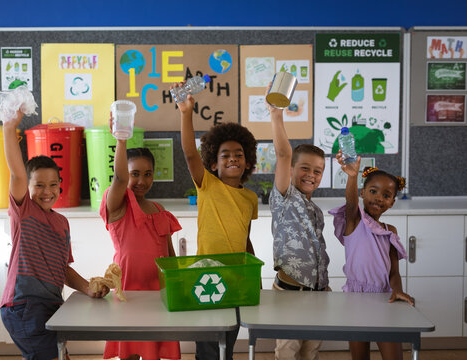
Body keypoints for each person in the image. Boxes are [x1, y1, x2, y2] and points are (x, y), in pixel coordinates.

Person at [0, 110, 109, 360]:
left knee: (61, 356)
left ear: (61, 185)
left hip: (50, 305)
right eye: (38, 185)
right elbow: (17, 172)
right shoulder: (23, 211)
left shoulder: (62, 223)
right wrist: (9, 128)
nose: (46, 191)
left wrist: (88, 288)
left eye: (53, 185)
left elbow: (64, 269)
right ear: (27, 188)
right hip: (24, 306)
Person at [173, 82, 258, 360]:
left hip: (236, 277)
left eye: (239, 155)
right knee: (208, 343)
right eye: (225, 155)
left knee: (228, 340)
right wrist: (187, 113)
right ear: (213, 164)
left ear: (247, 163)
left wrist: (253, 273)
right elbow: (188, 153)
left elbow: (245, 237)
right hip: (205, 275)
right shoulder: (207, 184)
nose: (233, 158)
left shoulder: (250, 199)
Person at [100, 113, 181, 360]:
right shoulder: (118, 205)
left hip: (158, 294)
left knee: (154, 350)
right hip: (129, 293)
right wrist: (121, 139)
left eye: (148, 174)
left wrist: (177, 285)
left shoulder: (160, 211)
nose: (141, 181)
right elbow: (120, 178)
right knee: (130, 352)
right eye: (136, 173)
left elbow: (170, 256)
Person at [329, 153, 415, 360]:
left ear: (392, 202)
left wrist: (398, 292)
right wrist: (352, 175)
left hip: (385, 297)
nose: (378, 198)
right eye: (373, 191)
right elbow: (350, 203)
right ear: (363, 193)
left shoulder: (390, 230)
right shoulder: (354, 221)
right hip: (355, 298)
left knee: (394, 355)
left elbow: (394, 271)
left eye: (386, 195)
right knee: (360, 357)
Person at [267, 83, 330, 360]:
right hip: (290, 292)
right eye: (305, 168)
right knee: (288, 351)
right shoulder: (284, 198)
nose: (311, 175)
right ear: (291, 170)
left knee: (311, 350)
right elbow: (283, 153)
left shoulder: (315, 209)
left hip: (318, 292)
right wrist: (276, 115)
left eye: (318, 171)